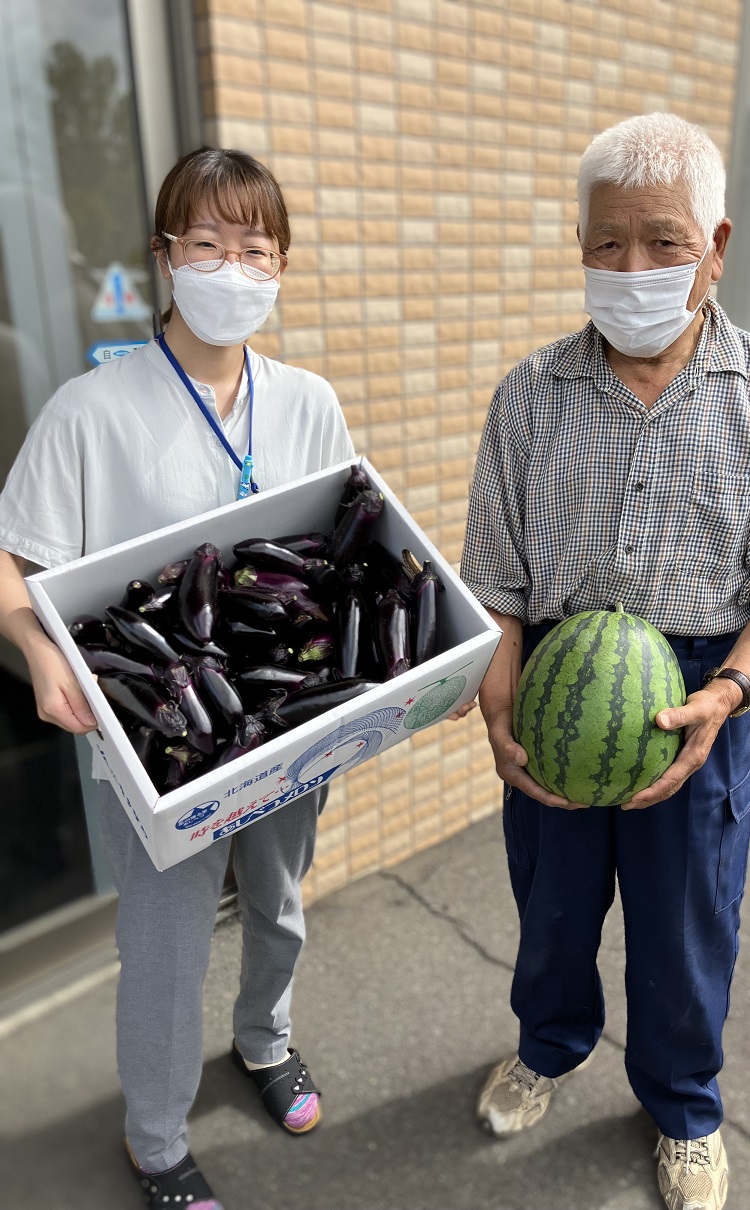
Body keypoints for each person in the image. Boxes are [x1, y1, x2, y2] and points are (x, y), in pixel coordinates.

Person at [460, 113, 750, 1210]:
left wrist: (727, 688)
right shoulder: (528, 396)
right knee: (549, 908)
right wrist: (498, 706)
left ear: (716, 245)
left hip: (700, 692)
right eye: (605, 242)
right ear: (578, 245)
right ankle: (548, 1043)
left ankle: (681, 1106)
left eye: (662, 241)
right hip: (553, 688)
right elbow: (494, 579)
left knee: (686, 928)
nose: (629, 267)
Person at [0, 148, 355, 1210]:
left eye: (255, 248)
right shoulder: (90, 409)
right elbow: (12, 556)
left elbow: (347, 541)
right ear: (165, 257)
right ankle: (155, 1141)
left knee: (280, 902)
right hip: (150, 731)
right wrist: (35, 648)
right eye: (207, 244)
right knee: (162, 945)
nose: (231, 266)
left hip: (285, 719)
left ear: (281, 265)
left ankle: (265, 1041)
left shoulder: (306, 401)